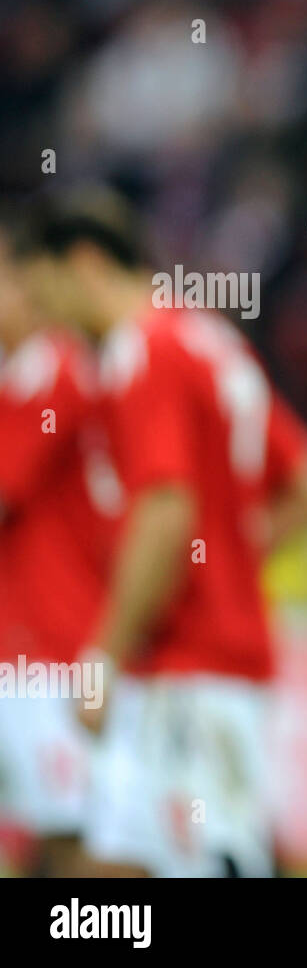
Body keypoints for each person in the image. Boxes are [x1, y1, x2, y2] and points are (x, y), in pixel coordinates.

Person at [23, 188, 307, 877]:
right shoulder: (206, 339)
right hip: (206, 663)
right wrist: (219, 567)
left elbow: (165, 511)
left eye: (45, 293)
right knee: (108, 881)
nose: (47, 320)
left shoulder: (145, 352)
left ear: (81, 264)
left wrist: (103, 653)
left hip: (189, 672)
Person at [0, 218, 113, 877]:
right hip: (25, 647)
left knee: (75, 839)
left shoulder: (55, 370)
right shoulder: (28, 374)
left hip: (55, 653)